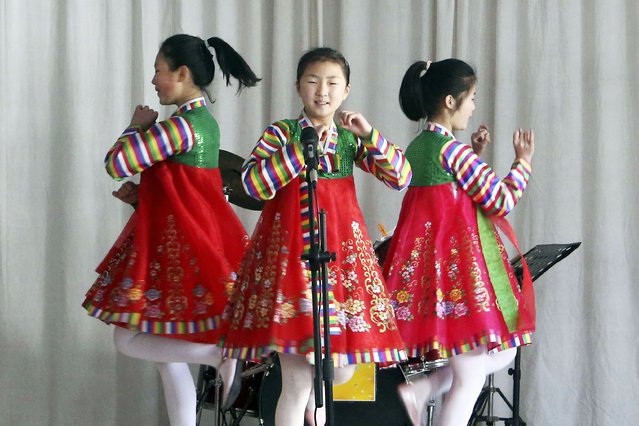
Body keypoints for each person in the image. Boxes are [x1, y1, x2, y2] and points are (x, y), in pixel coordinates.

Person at [220, 47, 412, 425]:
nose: (321, 91)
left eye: (332, 83)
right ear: (298, 87)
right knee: (296, 382)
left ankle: (312, 407)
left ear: (346, 90)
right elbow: (253, 185)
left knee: (337, 371)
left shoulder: (349, 138)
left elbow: (400, 177)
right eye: (312, 81)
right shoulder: (282, 132)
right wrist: (299, 151)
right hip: (292, 267)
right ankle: (307, 409)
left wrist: (369, 134)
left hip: (340, 267)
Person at [82, 34, 260, 426]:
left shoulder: (182, 126)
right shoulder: (204, 125)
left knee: (127, 338)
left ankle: (218, 355)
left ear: (182, 73)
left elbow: (117, 163)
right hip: (187, 247)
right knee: (169, 357)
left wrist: (135, 126)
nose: (153, 81)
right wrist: (140, 199)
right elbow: (187, 193)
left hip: (178, 253)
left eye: (158, 71)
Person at [382, 59, 535, 426]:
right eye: (471, 98)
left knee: (482, 359)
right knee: (471, 375)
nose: (473, 106)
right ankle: (421, 391)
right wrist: (523, 162)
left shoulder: (420, 147)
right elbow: (498, 200)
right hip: (458, 279)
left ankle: (420, 390)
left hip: (434, 279)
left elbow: (446, 197)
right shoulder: (453, 151)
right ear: (450, 101)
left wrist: (475, 152)